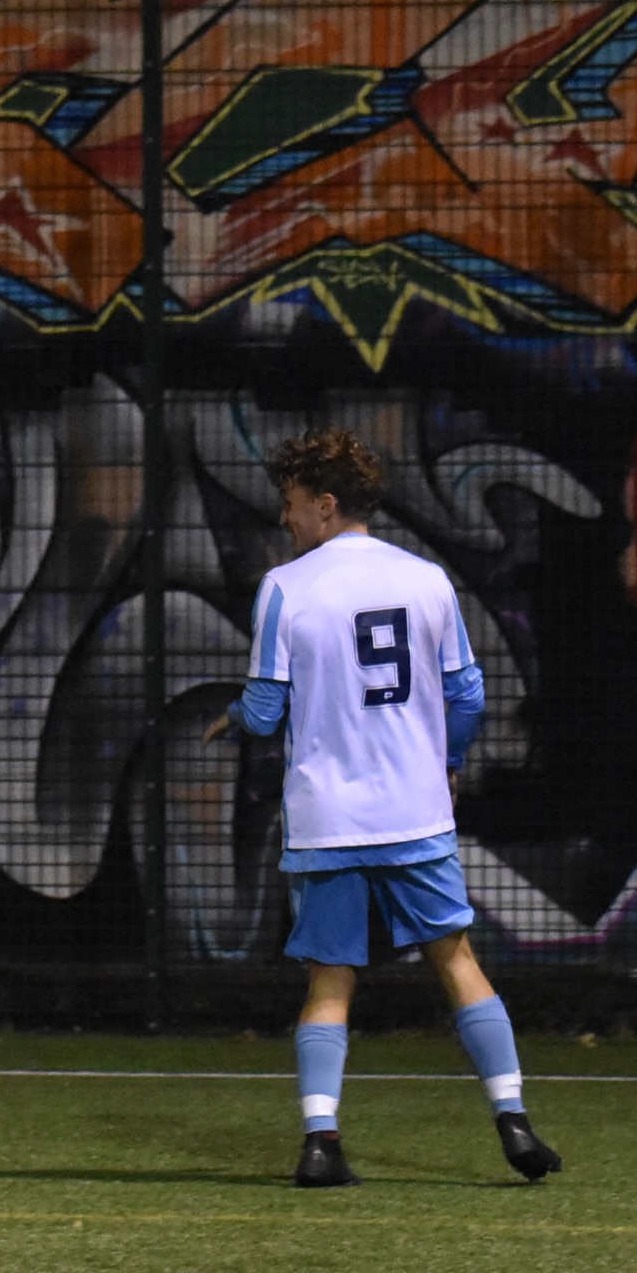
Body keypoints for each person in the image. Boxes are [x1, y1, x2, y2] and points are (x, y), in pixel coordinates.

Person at [206, 426, 560, 1188]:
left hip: (328, 820)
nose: (285, 518)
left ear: (326, 505)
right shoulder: (426, 579)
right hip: (415, 813)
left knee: (330, 981)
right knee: (458, 963)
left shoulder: (287, 588)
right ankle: (515, 1122)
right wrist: (450, 761)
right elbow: (468, 694)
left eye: (292, 504)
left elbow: (267, 716)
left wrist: (237, 715)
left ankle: (321, 1143)